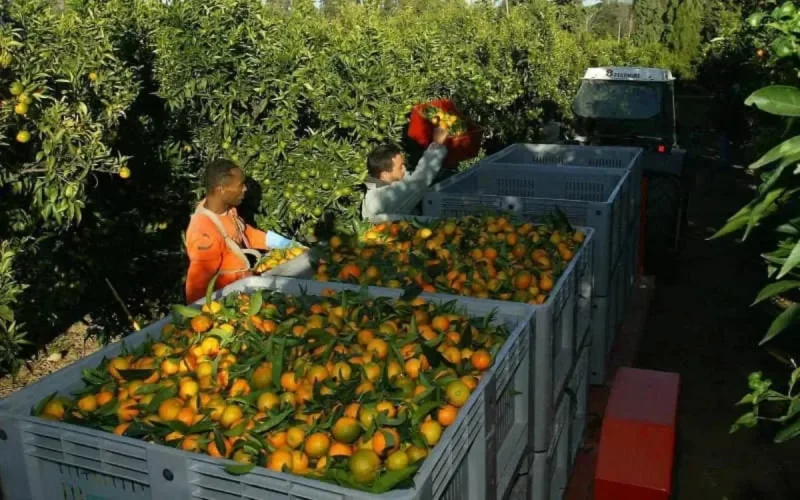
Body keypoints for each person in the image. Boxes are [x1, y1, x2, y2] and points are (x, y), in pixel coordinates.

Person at [184, 159, 292, 304]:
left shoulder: (227, 211)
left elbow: (245, 232)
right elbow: (198, 283)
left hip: (245, 291)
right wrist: (198, 314)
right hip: (228, 302)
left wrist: (284, 244)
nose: (245, 189)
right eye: (240, 185)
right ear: (221, 189)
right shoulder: (204, 233)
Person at [361, 127, 449, 219]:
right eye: (400, 167)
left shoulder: (380, 185)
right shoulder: (383, 198)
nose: (404, 169)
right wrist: (437, 145)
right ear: (385, 174)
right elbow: (420, 180)